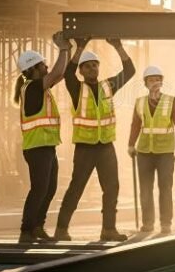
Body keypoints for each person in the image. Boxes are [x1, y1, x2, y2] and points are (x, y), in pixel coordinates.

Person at [54, 37, 135, 242]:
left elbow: (130, 71)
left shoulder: (108, 86)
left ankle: (108, 229)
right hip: (85, 148)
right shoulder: (76, 88)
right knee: (77, 187)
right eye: (87, 67)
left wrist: (118, 46)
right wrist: (80, 47)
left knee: (112, 188)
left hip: (106, 147)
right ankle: (61, 229)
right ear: (81, 71)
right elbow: (67, 73)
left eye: (94, 66)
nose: (92, 69)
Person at [15, 32, 71, 243]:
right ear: (33, 69)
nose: (47, 68)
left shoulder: (41, 88)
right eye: (43, 65)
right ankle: (26, 230)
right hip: (37, 147)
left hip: (46, 146)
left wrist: (71, 49)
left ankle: (37, 226)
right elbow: (56, 72)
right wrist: (63, 49)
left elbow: (60, 73)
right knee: (39, 188)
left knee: (50, 187)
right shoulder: (32, 88)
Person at [127, 66, 175, 235]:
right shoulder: (140, 102)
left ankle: (165, 224)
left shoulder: (170, 100)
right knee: (146, 189)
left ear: (161, 82)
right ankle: (148, 224)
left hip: (165, 152)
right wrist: (131, 145)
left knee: (165, 188)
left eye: (157, 79)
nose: (154, 82)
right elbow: (135, 125)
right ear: (145, 83)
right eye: (151, 79)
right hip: (144, 152)